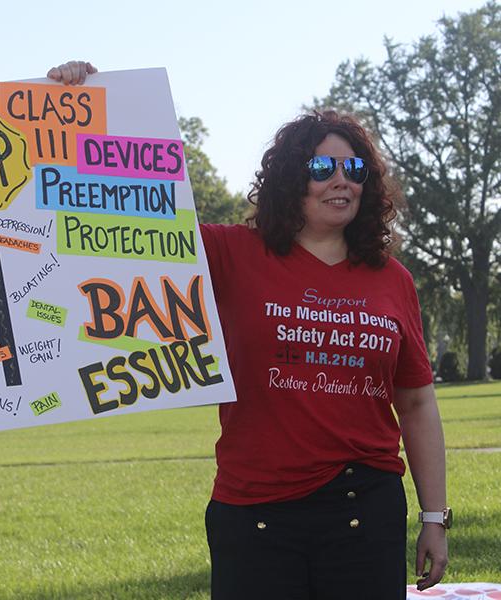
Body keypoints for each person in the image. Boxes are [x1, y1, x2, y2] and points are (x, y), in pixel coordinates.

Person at [48, 61, 450, 599]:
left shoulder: (392, 279)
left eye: (354, 168)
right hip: (254, 513)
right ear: (290, 177)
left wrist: (433, 516)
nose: (341, 179)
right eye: (322, 166)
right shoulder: (230, 252)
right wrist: (88, 113)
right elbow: (126, 224)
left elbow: (418, 403)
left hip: (365, 511)